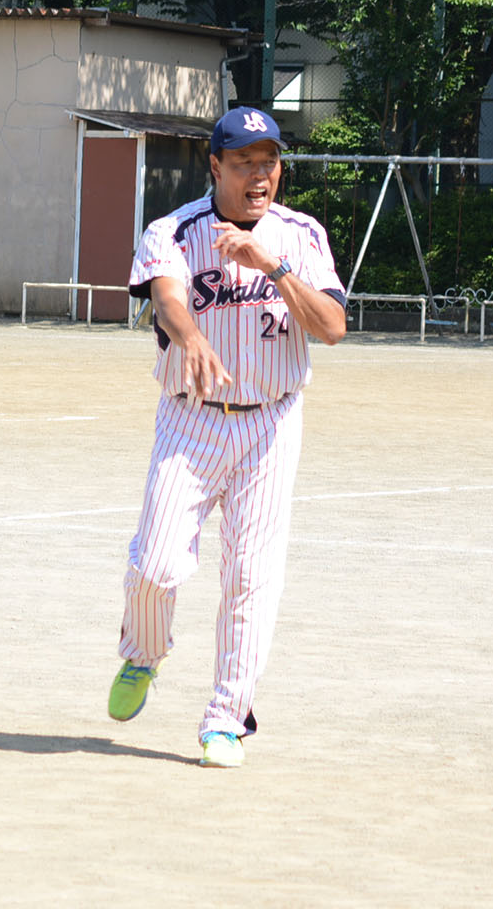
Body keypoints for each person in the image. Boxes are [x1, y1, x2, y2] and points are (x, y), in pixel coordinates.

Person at [107, 106, 347, 769]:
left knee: (251, 576)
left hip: (271, 423)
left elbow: (332, 326)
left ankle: (227, 717)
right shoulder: (174, 229)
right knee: (154, 565)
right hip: (192, 418)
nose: (260, 173)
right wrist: (191, 339)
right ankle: (144, 654)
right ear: (215, 166)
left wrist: (271, 267)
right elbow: (167, 295)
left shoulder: (300, 235)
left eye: (269, 160)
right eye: (244, 161)